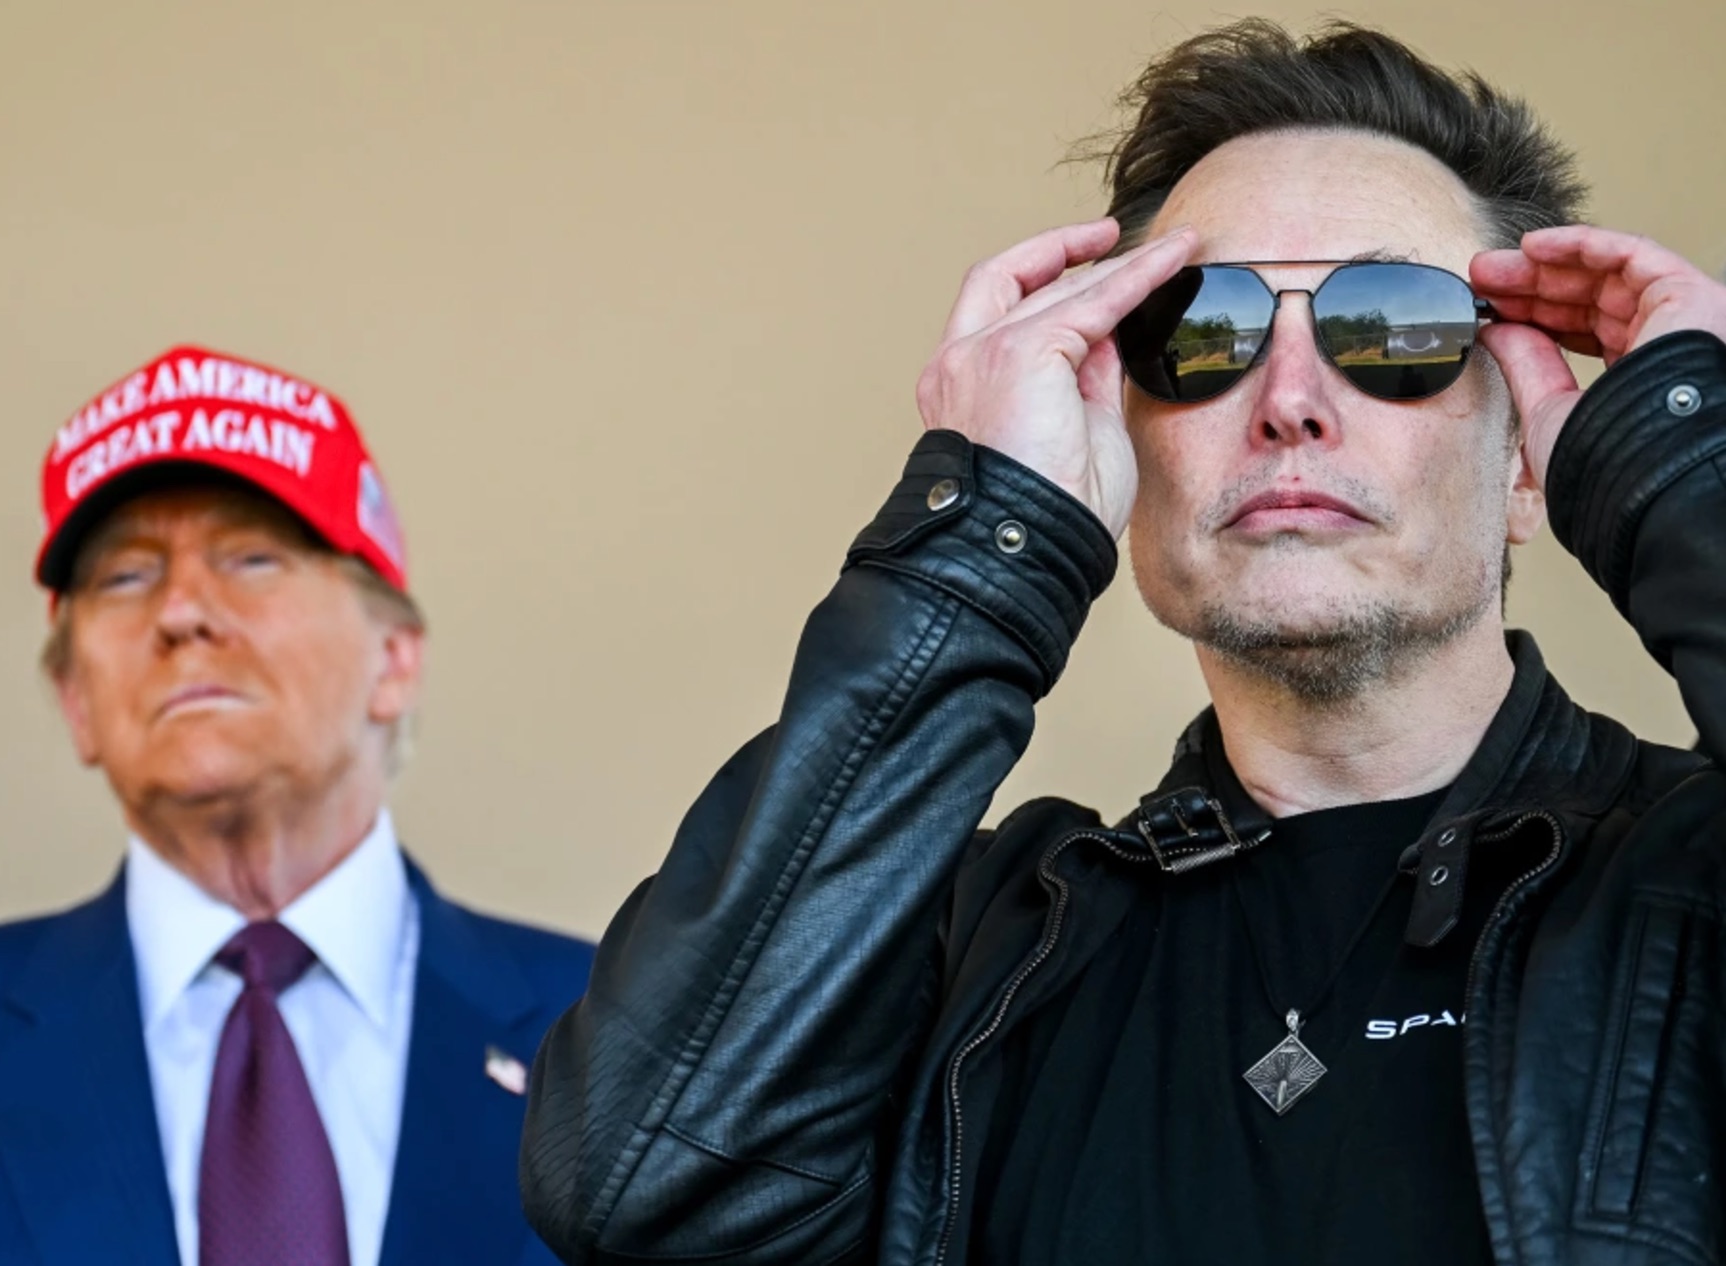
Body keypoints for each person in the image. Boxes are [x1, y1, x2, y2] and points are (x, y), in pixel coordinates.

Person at [519, 21, 1726, 1266]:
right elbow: (638, 1183)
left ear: (1527, 464)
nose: (1289, 399)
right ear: (1117, 453)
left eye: (1395, 326)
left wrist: (1689, 466)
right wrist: (989, 532)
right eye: (1198, 331)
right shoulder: (976, 949)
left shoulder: (1688, 882)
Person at [0, 345, 593, 1266]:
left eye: (252, 556)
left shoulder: (620, 1040)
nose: (183, 610)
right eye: (125, 576)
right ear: (75, 702)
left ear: (395, 659)